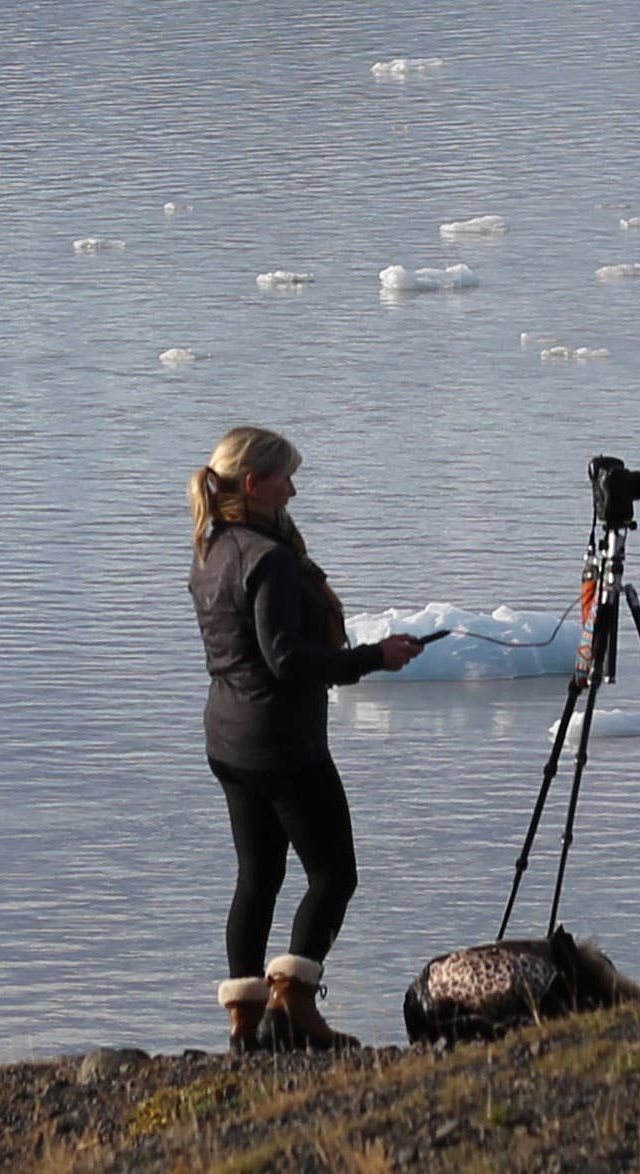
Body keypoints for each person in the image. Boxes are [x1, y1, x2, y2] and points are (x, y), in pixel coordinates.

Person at [187, 421, 425, 1051]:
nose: (294, 490)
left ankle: (245, 1023)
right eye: (287, 478)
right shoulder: (266, 560)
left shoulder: (213, 547)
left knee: (257, 877)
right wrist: (376, 657)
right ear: (255, 483)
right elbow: (286, 659)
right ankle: (290, 1009)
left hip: (228, 739)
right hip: (282, 744)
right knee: (333, 874)